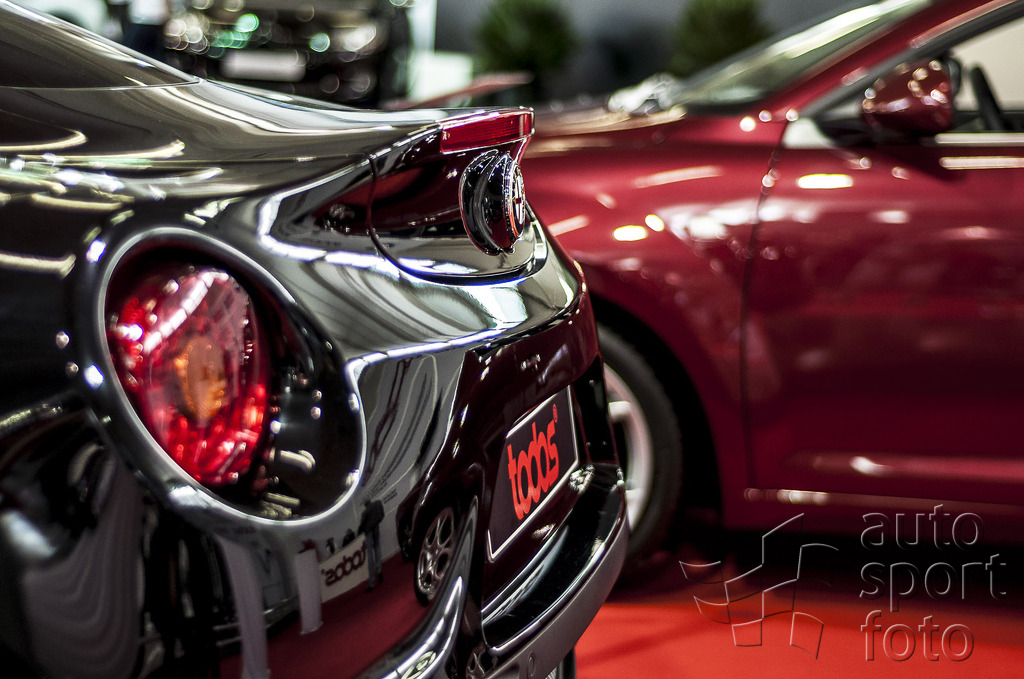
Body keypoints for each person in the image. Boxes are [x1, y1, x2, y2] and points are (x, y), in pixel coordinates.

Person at [358, 498, 385, 590]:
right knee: (377, 548)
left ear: (365, 504)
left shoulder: (365, 512)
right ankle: (379, 570)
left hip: (368, 531)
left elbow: (362, 525)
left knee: (370, 555)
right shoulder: (377, 503)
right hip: (376, 527)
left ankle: (372, 583)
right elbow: (382, 514)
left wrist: (359, 531)